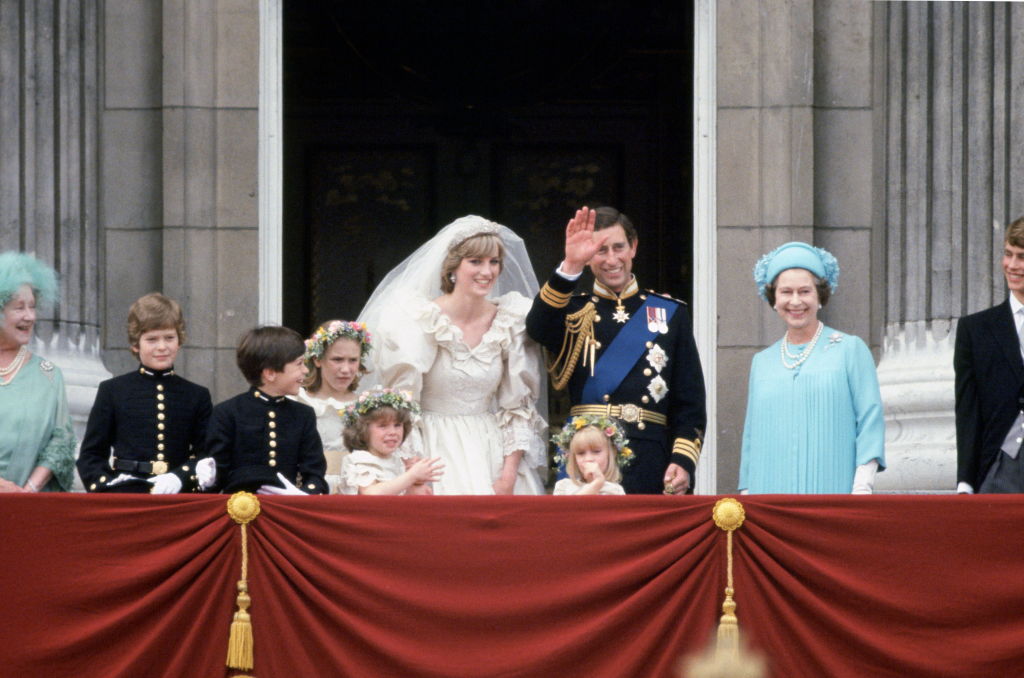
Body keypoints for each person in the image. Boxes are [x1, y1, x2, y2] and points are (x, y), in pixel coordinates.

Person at [358, 215, 547, 495]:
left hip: (491, 451)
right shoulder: (418, 318)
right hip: (431, 452)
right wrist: (414, 474)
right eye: (476, 262)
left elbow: (517, 407)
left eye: (494, 262)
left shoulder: (511, 318)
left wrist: (508, 477)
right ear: (452, 269)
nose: (487, 271)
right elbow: (401, 405)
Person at [525, 206, 706, 495]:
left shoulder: (669, 313)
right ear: (589, 257)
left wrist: (682, 460)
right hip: (588, 456)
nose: (612, 259)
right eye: (600, 250)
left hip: (650, 457)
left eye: (618, 247)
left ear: (633, 247)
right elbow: (537, 328)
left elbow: (690, 403)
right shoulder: (573, 309)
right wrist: (571, 265)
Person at [739, 241, 885, 494]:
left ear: (820, 297)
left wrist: (863, 483)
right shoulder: (762, 361)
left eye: (805, 291)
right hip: (769, 492)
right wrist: (747, 492)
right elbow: (751, 437)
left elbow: (870, 420)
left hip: (833, 491)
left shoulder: (850, 349)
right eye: (786, 292)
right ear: (774, 298)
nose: (795, 301)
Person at [77, 293, 214, 493]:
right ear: (135, 344)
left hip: (176, 494)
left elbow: (207, 455)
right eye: (152, 339)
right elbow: (91, 456)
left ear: (179, 340)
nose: (162, 347)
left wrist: (181, 477)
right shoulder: (113, 391)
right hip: (127, 493)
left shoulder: (196, 395)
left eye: (169, 338)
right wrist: (107, 484)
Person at [207, 325, 328, 495]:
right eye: (299, 364)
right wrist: (208, 478)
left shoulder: (303, 415)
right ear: (270, 374)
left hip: (286, 511)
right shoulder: (227, 413)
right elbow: (216, 477)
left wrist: (303, 495)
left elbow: (315, 475)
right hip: (238, 512)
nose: (305, 370)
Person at [955, 216, 1024, 493]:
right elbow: (968, 411)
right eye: (1008, 254)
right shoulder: (975, 330)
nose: (1012, 265)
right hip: (998, 468)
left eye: (1021, 257)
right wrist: (965, 481)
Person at [0, 252, 75, 492]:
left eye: (32, 307)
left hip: (31, 505)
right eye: (19, 308)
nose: (30, 317)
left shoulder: (49, 375)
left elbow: (61, 441)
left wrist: (28, 491)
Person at [296, 319, 372, 493]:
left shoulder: (367, 406)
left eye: (353, 360)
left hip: (357, 490)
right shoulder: (300, 402)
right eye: (337, 360)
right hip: (312, 489)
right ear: (317, 359)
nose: (345, 369)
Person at [338, 387, 444, 495]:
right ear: (363, 430)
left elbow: (396, 495)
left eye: (397, 425)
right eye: (383, 426)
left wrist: (415, 488)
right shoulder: (359, 460)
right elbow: (371, 494)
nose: (392, 432)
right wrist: (411, 476)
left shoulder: (397, 461)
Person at [551, 414, 633, 495]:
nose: (588, 458)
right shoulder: (563, 486)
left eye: (596, 451)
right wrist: (596, 484)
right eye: (581, 453)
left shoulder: (615, 490)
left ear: (612, 453)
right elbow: (571, 507)